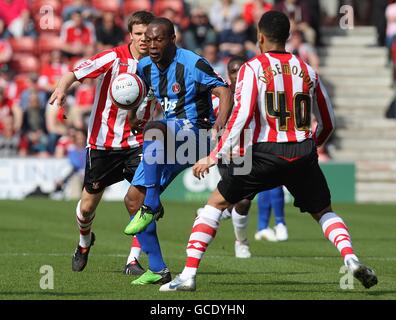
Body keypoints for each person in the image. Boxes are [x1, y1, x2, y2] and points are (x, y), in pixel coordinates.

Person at [160, 11, 378, 292]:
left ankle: (188, 275)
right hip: (302, 151)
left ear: (260, 37)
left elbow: (240, 116)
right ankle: (350, 258)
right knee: (324, 211)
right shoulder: (308, 70)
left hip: (265, 153)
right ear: (287, 37)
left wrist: (214, 155)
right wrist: (312, 146)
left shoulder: (253, 67)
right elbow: (328, 121)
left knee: (214, 205)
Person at [122, 17, 232, 285]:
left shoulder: (192, 63)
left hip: (199, 134)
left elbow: (224, 92)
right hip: (171, 140)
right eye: (148, 40)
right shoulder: (145, 66)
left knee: (155, 130)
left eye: (158, 39)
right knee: (131, 200)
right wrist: (134, 114)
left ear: (173, 39)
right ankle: (158, 269)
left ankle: (152, 203)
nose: (152, 45)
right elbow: (145, 93)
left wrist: (220, 123)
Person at [49, 11, 157, 275]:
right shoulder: (113, 57)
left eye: (148, 34)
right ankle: (84, 242)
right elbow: (73, 74)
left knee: (142, 202)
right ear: (130, 34)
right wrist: (62, 90)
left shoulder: (161, 64)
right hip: (102, 142)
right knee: (86, 208)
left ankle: (133, 259)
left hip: (139, 142)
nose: (144, 39)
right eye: (139, 34)